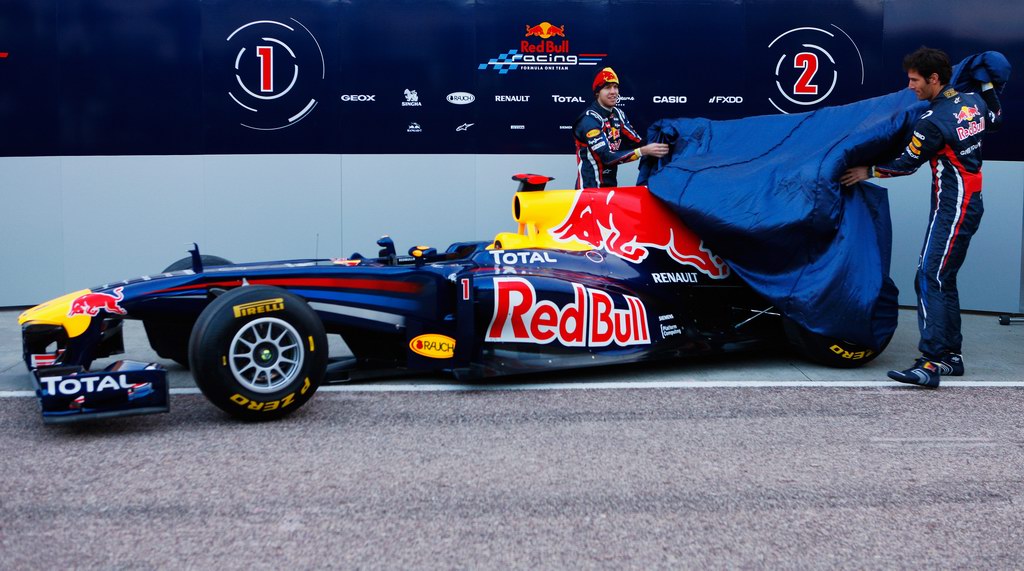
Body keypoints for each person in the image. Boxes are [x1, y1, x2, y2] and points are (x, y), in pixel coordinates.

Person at [840, 47, 1003, 388]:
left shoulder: (932, 121)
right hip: (967, 204)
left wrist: (868, 170)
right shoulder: (972, 100)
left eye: (915, 80)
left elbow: (905, 164)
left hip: (953, 208)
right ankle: (951, 358)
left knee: (929, 276)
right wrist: (989, 85)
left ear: (934, 79)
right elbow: (995, 117)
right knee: (943, 278)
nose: (910, 86)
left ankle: (930, 363)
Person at [573, 67, 669, 189]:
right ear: (597, 92)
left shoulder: (618, 114)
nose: (613, 92)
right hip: (589, 189)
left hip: (610, 186)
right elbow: (607, 157)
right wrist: (643, 151)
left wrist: (665, 140)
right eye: (607, 87)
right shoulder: (589, 120)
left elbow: (637, 142)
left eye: (615, 87)